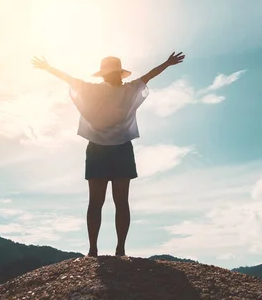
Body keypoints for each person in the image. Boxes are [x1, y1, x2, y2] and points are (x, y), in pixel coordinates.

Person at [31, 52, 185, 257]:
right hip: (119, 148)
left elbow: (69, 79)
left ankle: (98, 249)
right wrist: (166, 63)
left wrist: (49, 68)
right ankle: (115, 249)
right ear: (120, 74)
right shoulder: (128, 89)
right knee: (117, 202)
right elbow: (149, 76)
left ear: (103, 75)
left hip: (98, 149)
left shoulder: (94, 90)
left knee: (98, 202)